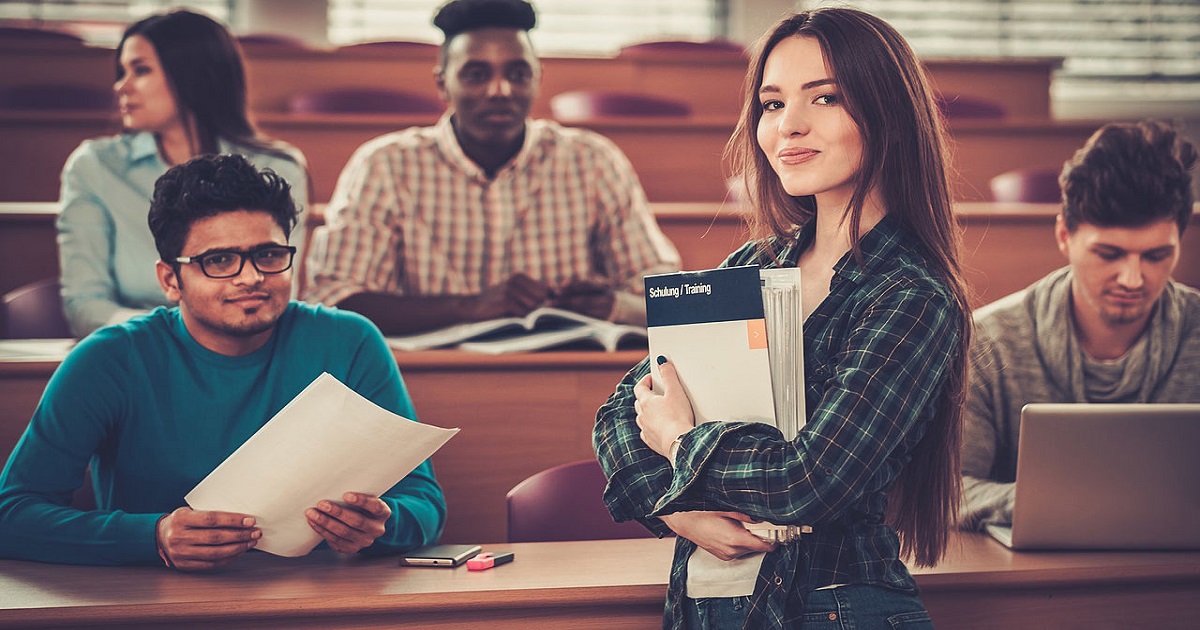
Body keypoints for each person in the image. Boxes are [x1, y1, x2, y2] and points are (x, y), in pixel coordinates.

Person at [594, 8, 971, 628]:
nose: (788, 126)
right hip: (706, 606)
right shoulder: (755, 263)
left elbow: (809, 482)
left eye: (825, 97)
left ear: (889, 114)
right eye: (771, 104)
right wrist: (674, 511)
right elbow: (619, 414)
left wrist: (680, 447)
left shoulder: (913, 296)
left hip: (839, 607)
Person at [0, 154, 444, 570]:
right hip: (157, 602)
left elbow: (424, 501)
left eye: (268, 255)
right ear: (170, 279)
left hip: (315, 596)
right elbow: (12, 512)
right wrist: (152, 537)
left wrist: (381, 525)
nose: (251, 277)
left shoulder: (350, 340)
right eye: (219, 260)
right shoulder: (109, 358)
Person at [302, 0, 680, 334]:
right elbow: (335, 298)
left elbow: (666, 290)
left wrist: (611, 304)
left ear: (538, 79)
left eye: (517, 73)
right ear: (442, 83)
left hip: (564, 374)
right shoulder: (384, 166)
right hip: (430, 382)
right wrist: (471, 306)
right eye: (477, 74)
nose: (500, 90)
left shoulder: (594, 160)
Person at [961, 120, 1199, 530]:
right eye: (1110, 254)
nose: (1132, 278)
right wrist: (1077, 506)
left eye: (1157, 256)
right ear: (1063, 235)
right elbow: (951, 491)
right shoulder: (985, 342)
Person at [57, 8, 309, 338]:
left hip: (247, 348)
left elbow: (279, 291)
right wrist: (172, 339)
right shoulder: (94, 166)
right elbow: (85, 304)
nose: (121, 86)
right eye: (122, 72)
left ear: (192, 76)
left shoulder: (278, 169)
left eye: (141, 70)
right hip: (137, 351)